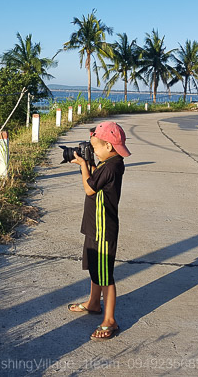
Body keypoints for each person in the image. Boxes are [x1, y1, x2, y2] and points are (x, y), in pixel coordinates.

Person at [67, 121, 131, 340]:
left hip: (104, 229)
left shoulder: (112, 165)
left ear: (109, 147)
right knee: (95, 268)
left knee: (105, 276)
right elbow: (97, 178)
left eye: (95, 147)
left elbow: (89, 188)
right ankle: (94, 303)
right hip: (95, 225)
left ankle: (110, 320)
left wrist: (83, 166)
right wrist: (89, 164)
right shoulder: (110, 162)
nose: (93, 151)